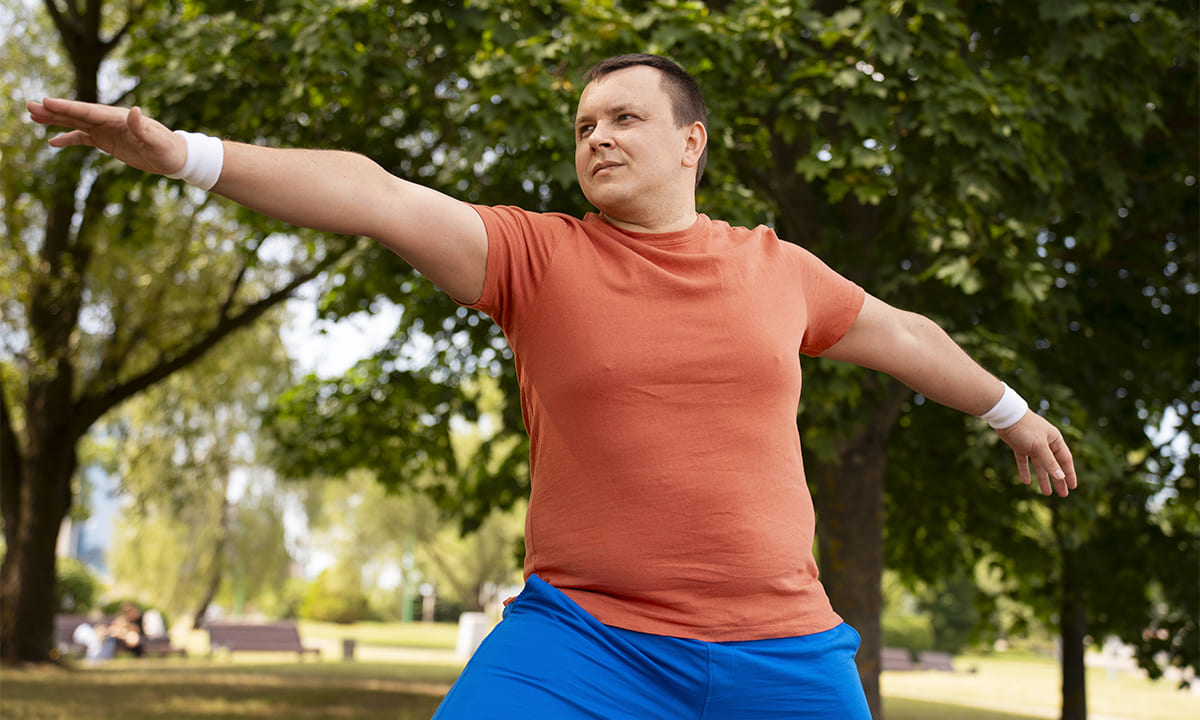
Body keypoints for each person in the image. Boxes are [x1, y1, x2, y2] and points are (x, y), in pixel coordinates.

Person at [29, 53, 1076, 718]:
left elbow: (905, 334)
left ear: (690, 142)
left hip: (786, 652)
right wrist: (188, 156)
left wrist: (1011, 411)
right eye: (582, 128)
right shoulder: (538, 258)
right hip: (585, 645)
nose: (598, 139)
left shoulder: (778, 269)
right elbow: (375, 193)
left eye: (623, 118)